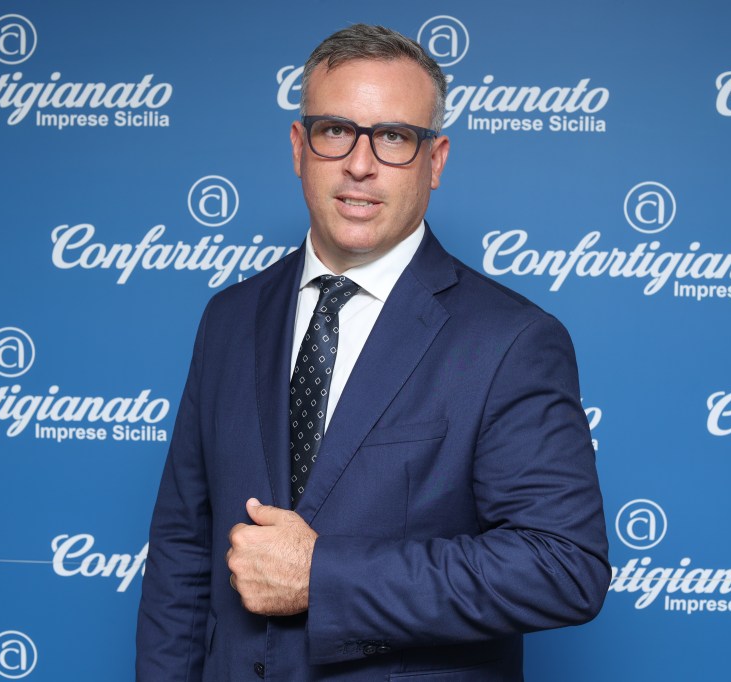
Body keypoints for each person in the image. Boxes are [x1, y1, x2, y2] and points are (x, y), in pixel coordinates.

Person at [136, 24, 609, 681]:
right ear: (299, 146)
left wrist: (323, 575)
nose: (360, 164)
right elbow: (183, 553)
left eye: (393, 136)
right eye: (336, 130)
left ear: (435, 160)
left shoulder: (511, 340)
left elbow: (563, 567)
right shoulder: (229, 318)